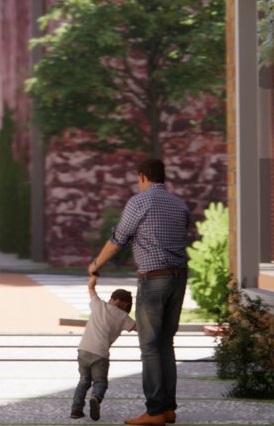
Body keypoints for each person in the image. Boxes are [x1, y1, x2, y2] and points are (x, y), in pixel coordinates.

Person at [88, 158, 190, 426]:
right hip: (179, 278)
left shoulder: (139, 202)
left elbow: (118, 239)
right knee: (166, 343)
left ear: (143, 177)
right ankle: (168, 409)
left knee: (150, 347)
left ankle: (155, 411)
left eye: (137, 178)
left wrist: (96, 264)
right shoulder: (179, 204)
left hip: (153, 279)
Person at [71, 274, 136, 421]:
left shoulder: (99, 305)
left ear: (111, 299)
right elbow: (141, 329)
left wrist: (94, 274)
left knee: (84, 380)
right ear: (126, 305)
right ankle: (96, 397)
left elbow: (91, 287)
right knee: (100, 382)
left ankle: (76, 410)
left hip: (83, 350)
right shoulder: (124, 317)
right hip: (100, 354)